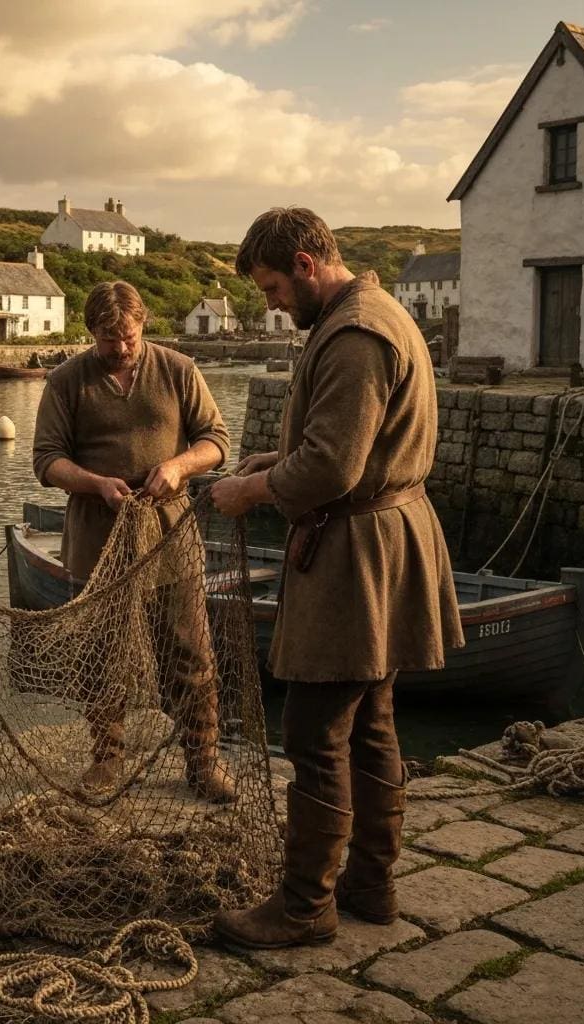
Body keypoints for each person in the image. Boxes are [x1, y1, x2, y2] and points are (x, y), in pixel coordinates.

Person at [210, 208, 463, 949]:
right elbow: (337, 443)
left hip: (358, 551)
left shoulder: (355, 334)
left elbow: (333, 467)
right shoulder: (365, 315)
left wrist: (251, 492)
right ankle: (371, 886)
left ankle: (303, 906)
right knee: (373, 723)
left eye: (273, 287)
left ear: (305, 261)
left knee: (315, 731)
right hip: (384, 535)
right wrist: (267, 461)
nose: (272, 303)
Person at [32, 280, 236, 804]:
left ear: (142, 325)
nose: (119, 348)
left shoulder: (178, 370)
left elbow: (216, 441)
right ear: (90, 332)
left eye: (127, 336)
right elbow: (46, 460)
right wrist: (95, 484)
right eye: (107, 339)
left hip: (170, 539)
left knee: (190, 656)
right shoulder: (65, 381)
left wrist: (178, 466)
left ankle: (204, 763)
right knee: (101, 659)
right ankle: (106, 761)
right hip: (96, 545)